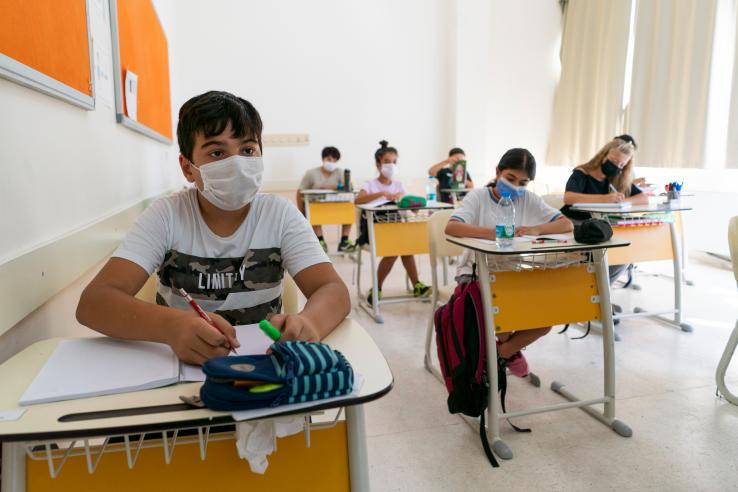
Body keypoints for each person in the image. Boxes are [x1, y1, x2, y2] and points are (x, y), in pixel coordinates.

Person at [76, 91, 350, 365]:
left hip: (264, 368)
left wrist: (308, 323)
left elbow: (332, 289)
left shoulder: (279, 215)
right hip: (180, 371)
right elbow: (94, 303)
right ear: (187, 168)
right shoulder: (167, 215)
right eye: (217, 152)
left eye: (247, 150)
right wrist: (171, 326)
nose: (237, 164)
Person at [445, 148, 573, 377]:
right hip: (475, 273)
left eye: (523, 182)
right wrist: (494, 233)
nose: (515, 187)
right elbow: (452, 227)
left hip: (512, 272)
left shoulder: (527, 199)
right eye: (510, 178)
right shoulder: (479, 196)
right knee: (502, 317)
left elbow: (566, 225)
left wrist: (537, 229)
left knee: (545, 321)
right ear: (498, 172)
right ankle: (504, 356)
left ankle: (499, 355)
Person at [561, 134, 648, 284]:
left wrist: (621, 201)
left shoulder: (616, 178)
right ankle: (592, 292)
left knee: (624, 256)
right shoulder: (582, 173)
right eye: (614, 161)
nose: (617, 167)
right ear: (603, 155)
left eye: (621, 165)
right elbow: (569, 198)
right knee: (600, 254)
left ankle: (601, 294)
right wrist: (605, 199)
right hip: (574, 224)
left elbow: (643, 199)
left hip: (599, 227)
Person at [355, 140, 432, 304]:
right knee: (395, 249)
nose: (391, 165)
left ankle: (416, 285)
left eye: (394, 162)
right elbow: (358, 200)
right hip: (373, 230)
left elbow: (407, 204)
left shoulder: (399, 185)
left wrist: (414, 206)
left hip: (395, 227)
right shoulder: (370, 184)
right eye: (387, 162)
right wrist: (381, 194)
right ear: (378, 164)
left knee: (406, 247)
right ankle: (377, 288)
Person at [296, 146, 356, 253]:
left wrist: (324, 187)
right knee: (313, 209)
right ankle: (320, 241)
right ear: (323, 159)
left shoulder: (341, 172)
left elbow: (349, 188)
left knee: (350, 208)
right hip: (316, 205)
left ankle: (344, 241)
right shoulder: (311, 173)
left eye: (334, 160)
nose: (331, 162)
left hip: (337, 205)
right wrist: (301, 212)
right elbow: (300, 191)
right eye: (329, 159)